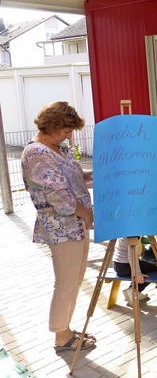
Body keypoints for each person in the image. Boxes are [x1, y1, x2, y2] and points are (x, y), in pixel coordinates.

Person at [21, 101, 96, 352]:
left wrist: (93, 176)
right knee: (66, 282)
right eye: (66, 130)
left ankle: (66, 329)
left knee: (74, 280)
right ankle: (62, 336)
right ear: (52, 125)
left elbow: (71, 179)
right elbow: (60, 197)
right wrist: (87, 216)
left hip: (73, 226)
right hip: (62, 227)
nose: (69, 135)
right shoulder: (37, 154)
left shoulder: (55, 148)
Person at [113, 236, 157, 306]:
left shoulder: (126, 228)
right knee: (154, 270)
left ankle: (134, 290)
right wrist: (137, 273)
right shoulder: (133, 234)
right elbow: (131, 255)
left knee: (147, 267)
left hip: (117, 264)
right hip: (126, 265)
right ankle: (133, 290)